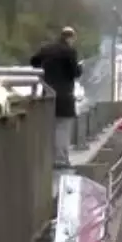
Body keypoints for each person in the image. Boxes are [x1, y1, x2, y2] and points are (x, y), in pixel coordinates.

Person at [30, 27, 83, 168]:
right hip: (64, 96)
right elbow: (75, 72)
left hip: (47, 94)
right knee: (63, 128)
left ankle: (47, 158)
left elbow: (34, 61)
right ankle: (60, 160)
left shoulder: (47, 49)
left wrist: (46, 69)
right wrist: (79, 68)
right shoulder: (69, 52)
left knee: (49, 127)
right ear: (71, 38)